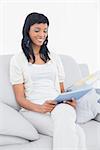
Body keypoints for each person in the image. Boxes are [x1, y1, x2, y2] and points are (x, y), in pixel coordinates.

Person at [10, 12, 87, 150]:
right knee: (78, 133)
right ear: (27, 31)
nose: (42, 35)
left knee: (66, 111)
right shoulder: (18, 60)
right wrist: (40, 108)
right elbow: (20, 98)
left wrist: (69, 101)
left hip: (57, 106)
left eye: (45, 31)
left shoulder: (54, 57)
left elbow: (62, 90)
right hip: (33, 110)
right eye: (37, 30)